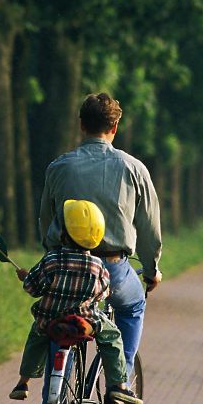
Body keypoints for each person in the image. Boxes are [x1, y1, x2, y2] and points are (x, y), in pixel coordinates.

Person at [38, 91, 163, 379]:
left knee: (62, 321)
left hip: (66, 265)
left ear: (81, 124)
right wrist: (152, 270)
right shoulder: (135, 169)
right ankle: (120, 383)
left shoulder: (58, 167)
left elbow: (46, 220)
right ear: (115, 128)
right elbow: (149, 228)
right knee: (132, 308)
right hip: (113, 268)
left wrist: (52, 259)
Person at [9, 197, 143, 404]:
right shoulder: (97, 266)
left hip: (50, 321)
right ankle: (118, 385)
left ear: (63, 233)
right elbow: (103, 294)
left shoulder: (51, 260)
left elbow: (33, 288)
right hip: (85, 322)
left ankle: (24, 382)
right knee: (112, 338)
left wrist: (25, 277)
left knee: (36, 338)